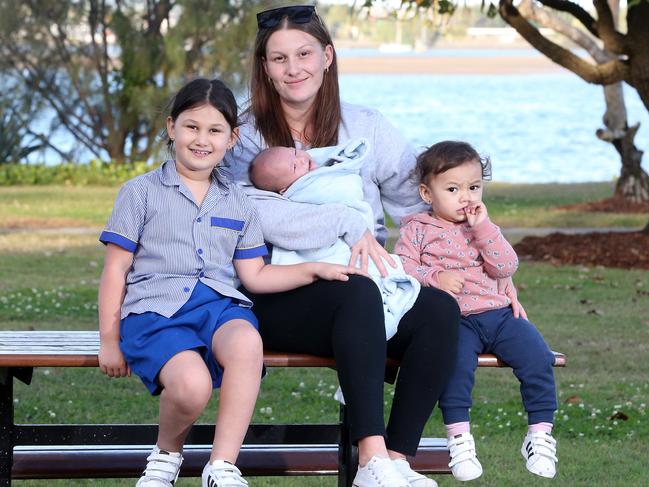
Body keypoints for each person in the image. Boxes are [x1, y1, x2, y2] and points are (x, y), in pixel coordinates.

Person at [224, 5, 461, 487]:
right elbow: (255, 217)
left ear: (327, 56)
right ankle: (369, 457)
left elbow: (419, 207)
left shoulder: (367, 127)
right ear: (264, 68)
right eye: (279, 58)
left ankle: (396, 461)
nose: (294, 69)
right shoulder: (244, 138)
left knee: (438, 310)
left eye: (305, 53)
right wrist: (345, 223)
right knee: (357, 292)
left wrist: (469, 263)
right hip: (275, 291)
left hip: (363, 285)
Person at [97, 78, 360, 487]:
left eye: (215, 130)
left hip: (219, 309)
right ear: (172, 128)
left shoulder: (240, 201)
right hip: (156, 311)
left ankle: (222, 467)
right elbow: (115, 270)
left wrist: (314, 270)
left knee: (246, 341)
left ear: (232, 138)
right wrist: (109, 340)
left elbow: (255, 274)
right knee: (191, 387)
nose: (202, 139)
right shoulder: (140, 193)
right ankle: (166, 455)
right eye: (192, 127)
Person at [395, 141, 559, 481]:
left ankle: (539, 435)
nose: (466, 197)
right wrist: (434, 277)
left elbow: (506, 266)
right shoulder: (417, 229)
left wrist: (484, 229)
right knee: (455, 368)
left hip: (499, 315)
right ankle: (459, 439)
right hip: (456, 322)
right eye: (453, 189)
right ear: (427, 193)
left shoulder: (483, 227)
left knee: (539, 357)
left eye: (474, 187)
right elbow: (402, 269)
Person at [250, 138, 421, 341]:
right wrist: (346, 219)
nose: (303, 160)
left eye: (294, 153)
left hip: (361, 242)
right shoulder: (301, 191)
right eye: (295, 167)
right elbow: (340, 194)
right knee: (363, 290)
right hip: (326, 264)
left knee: (440, 306)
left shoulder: (320, 162)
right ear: (284, 190)